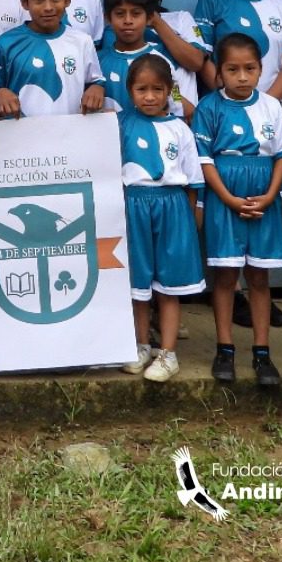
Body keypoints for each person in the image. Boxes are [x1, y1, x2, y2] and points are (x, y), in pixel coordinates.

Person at [195, 0, 282, 330]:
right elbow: (204, 58)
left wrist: (264, 103)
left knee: (263, 211)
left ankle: (260, 294)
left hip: (268, 120)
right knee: (226, 222)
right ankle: (233, 298)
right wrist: (232, 98)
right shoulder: (213, 1)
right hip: (225, 119)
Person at [193, 33, 282, 387]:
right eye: (232, 69)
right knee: (226, 277)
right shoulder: (209, 108)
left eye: (250, 69)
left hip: (263, 198)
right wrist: (226, 197)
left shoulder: (272, 106)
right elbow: (204, 160)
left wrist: (271, 195)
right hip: (225, 197)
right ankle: (225, 348)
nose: (242, 76)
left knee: (259, 276)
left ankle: (262, 351)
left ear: (260, 70)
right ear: (219, 72)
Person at [119, 56, 205, 382]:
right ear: (130, 91)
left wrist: (192, 216)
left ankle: (168, 353)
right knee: (137, 283)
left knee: (169, 285)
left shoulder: (180, 129)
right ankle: (142, 345)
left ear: (169, 91)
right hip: (134, 207)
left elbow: (194, 179)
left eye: (158, 89)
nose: (150, 97)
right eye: (142, 89)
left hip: (172, 207)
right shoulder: (121, 124)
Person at [0, 0, 105, 119]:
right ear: (24, 2)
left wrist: (97, 89)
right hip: (21, 140)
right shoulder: (7, 43)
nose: (48, 7)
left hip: (69, 138)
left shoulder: (82, 42)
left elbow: (96, 81)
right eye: (39, 0)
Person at [99, 0, 195, 120]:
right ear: (107, 18)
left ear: (149, 18)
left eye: (136, 14)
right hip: (109, 139)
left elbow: (180, 104)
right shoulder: (97, 60)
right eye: (120, 14)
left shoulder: (161, 61)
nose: (128, 20)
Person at [102, 0, 209, 82]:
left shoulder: (181, 18)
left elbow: (196, 62)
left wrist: (156, 22)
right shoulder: (114, 30)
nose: (128, 20)